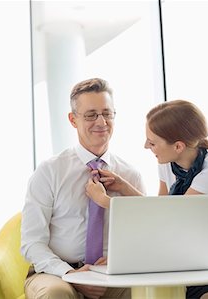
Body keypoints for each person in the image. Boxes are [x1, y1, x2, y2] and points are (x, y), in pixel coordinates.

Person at [86, 99, 208, 299]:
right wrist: (123, 187)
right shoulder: (167, 162)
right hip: (192, 258)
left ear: (179, 146)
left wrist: (105, 201)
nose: (146, 146)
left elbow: (170, 220)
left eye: (153, 142)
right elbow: (162, 210)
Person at [21, 78, 145, 299]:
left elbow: (145, 235)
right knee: (55, 294)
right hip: (57, 273)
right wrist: (70, 274)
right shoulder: (50, 171)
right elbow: (32, 243)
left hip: (111, 274)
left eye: (107, 113)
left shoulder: (129, 175)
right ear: (73, 119)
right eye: (91, 115)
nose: (101, 122)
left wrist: (122, 260)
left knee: (150, 291)